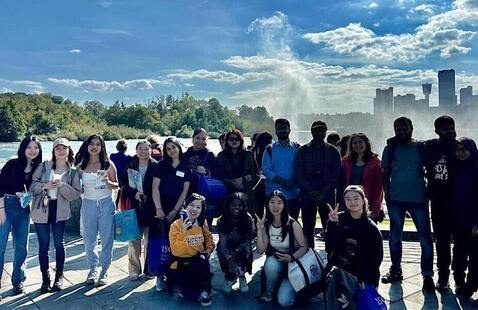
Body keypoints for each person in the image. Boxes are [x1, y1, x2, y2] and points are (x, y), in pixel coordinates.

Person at [381, 117, 435, 290]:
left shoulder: (421, 147)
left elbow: (430, 169)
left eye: (405, 129)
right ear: (394, 130)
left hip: (418, 199)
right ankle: (395, 270)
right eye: (398, 129)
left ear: (412, 128)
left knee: (426, 239)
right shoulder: (390, 149)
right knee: (395, 238)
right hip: (396, 199)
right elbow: (385, 175)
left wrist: (428, 190)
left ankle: (427, 275)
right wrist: (387, 197)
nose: (401, 132)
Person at [30, 138, 82, 293]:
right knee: (43, 246)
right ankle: (45, 279)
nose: (61, 151)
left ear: (68, 151)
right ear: (53, 151)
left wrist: (63, 185)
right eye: (57, 148)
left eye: (64, 148)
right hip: (41, 210)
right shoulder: (44, 166)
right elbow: (32, 185)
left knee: (59, 244)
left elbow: (75, 195)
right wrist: (44, 186)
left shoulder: (72, 172)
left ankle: (59, 276)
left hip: (60, 212)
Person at [0, 135, 42, 298]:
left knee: (21, 247)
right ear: (23, 148)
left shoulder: (38, 169)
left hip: (23, 209)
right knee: (0, 247)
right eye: (29, 147)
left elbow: (36, 188)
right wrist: (1, 209)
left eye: (36, 148)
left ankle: (18, 280)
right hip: (5, 205)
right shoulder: (12, 164)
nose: (32, 151)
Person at [77, 134, 119, 286]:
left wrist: (108, 182)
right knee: (89, 240)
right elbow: (77, 185)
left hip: (106, 203)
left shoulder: (108, 164)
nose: (94, 147)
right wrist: (79, 188)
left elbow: (117, 185)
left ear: (102, 147)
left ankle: (105, 270)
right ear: (87, 146)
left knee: (107, 239)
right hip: (88, 204)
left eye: (98, 144)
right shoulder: (81, 165)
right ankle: (93, 269)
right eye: (91, 144)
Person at [256, 191, 308, 307]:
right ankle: (269, 291)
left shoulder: (292, 224)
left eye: (279, 202)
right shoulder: (266, 224)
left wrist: (291, 257)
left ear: (284, 205)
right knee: (270, 263)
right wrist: (259, 230)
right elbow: (260, 250)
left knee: (285, 301)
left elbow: (304, 247)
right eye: (272, 202)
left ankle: (292, 288)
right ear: (267, 204)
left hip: (294, 262)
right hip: (277, 260)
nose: (275, 206)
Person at [151, 137, 191, 291]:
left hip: (178, 208)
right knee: (160, 243)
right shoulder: (161, 165)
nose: (171, 151)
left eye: (174, 147)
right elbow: (155, 188)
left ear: (179, 147)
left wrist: (175, 211)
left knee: (177, 244)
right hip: (161, 207)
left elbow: (185, 191)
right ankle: (159, 276)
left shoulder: (185, 166)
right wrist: (159, 208)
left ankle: (174, 276)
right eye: (168, 148)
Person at [423, 115, 457, 291]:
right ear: (437, 131)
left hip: (459, 203)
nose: (450, 131)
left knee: (460, 243)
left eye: (452, 128)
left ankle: (459, 276)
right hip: (438, 202)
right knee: (442, 242)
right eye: (445, 129)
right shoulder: (429, 147)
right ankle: (443, 277)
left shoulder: (461, 147)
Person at [294, 120, 341, 247]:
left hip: (327, 196)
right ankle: (310, 255)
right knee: (308, 227)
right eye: (316, 130)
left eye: (322, 130)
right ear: (312, 131)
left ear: (326, 132)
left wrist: (323, 191)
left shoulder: (333, 151)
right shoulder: (302, 151)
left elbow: (336, 174)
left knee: (330, 227)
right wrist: (310, 190)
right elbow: (299, 173)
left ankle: (330, 256)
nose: (319, 133)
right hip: (307, 196)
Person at [325, 185, 383, 287]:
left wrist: (364, 278)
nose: (352, 202)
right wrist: (332, 224)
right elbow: (329, 247)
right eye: (348, 199)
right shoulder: (339, 219)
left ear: (363, 200)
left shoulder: (371, 228)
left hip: (364, 274)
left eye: (356, 198)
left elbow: (377, 259)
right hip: (341, 270)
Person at [119, 140, 158, 281]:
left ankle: (149, 269)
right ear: (136, 151)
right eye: (140, 149)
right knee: (134, 240)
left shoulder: (156, 166)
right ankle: (134, 270)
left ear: (151, 150)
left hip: (151, 208)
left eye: (146, 149)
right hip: (134, 208)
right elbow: (122, 185)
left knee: (149, 241)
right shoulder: (130, 165)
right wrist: (134, 193)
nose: (143, 152)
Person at [169, 193, 215, 306]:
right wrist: (184, 233)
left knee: (201, 263)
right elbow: (175, 250)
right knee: (189, 296)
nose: (194, 209)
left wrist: (208, 250)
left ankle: (203, 290)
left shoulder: (202, 223)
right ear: (185, 206)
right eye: (191, 205)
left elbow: (209, 239)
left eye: (198, 207)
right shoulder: (176, 225)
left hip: (198, 261)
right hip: (181, 262)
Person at [451, 138, 478, 299]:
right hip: (459, 219)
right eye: (458, 150)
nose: (460, 153)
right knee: (459, 252)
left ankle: (470, 286)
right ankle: (460, 282)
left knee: (475, 256)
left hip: (474, 221)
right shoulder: (456, 168)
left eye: (464, 149)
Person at [262, 119, 300, 219]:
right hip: (273, 195)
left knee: (292, 225)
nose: (282, 131)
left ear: (289, 130)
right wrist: (282, 182)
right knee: (272, 224)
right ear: (276, 131)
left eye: (284, 128)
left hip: (293, 193)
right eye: (279, 129)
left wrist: (292, 181)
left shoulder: (297, 148)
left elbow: (301, 169)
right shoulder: (269, 149)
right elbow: (266, 169)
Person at [216, 192, 254, 294]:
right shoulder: (221, 220)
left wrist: (238, 250)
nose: (236, 208)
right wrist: (229, 257)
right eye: (233, 205)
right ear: (228, 205)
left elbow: (248, 238)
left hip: (242, 245)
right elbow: (222, 240)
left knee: (246, 251)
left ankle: (242, 276)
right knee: (220, 249)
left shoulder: (248, 219)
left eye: (240, 205)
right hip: (227, 244)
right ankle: (229, 276)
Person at [341, 133, 383, 221]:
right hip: (349, 202)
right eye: (355, 143)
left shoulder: (375, 162)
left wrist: (375, 209)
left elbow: (378, 187)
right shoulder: (346, 161)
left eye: (360, 142)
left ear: (366, 144)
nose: (358, 145)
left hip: (367, 202)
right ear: (351, 145)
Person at [216, 129, 259, 215]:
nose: (234, 141)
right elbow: (218, 176)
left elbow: (256, 175)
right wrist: (232, 182)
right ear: (227, 141)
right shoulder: (221, 156)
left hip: (246, 193)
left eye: (237, 139)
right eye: (231, 139)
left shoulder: (248, 155)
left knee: (247, 219)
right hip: (228, 192)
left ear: (241, 140)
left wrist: (242, 180)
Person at [183, 128, 217, 225]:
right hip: (187, 194)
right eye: (197, 138)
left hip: (205, 195)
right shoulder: (184, 155)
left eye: (203, 139)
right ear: (192, 138)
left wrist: (206, 171)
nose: (200, 141)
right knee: (188, 225)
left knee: (204, 226)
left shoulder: (210, 155)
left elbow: (218, 174)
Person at [252, 132, 273, 217]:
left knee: (258, 210)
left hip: (257, 184)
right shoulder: (270, 152)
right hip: (268, 184)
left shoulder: (253, 152)